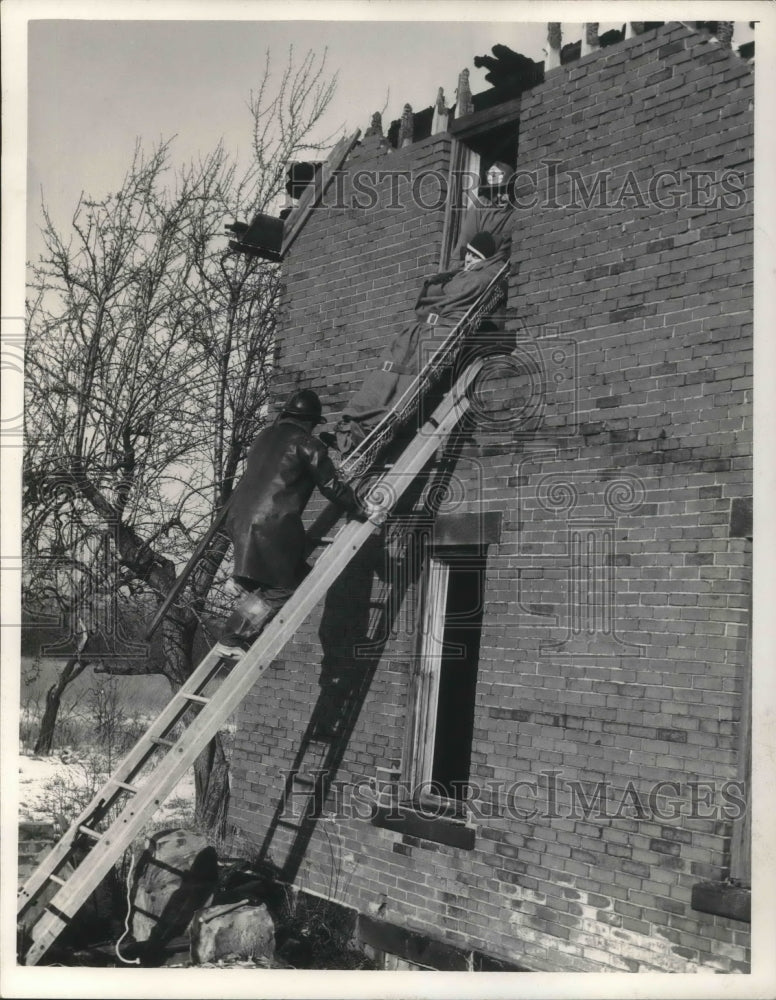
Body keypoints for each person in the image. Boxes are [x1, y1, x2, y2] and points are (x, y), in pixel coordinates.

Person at [324, 229, 506, 456]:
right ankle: (350, 426)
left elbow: (447, 296)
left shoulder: (478, 278)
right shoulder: (460, 275)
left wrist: (438, 290)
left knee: (405, 385)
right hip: (418, 331)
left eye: (475, 257)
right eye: (468, 253)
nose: (468, 259)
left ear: (485, 261)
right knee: (384, 374)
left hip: (436, 335)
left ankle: (363, 435)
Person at [214, 388, 363, 656]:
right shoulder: (308, 444)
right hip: (271, 526)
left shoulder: (263, 438)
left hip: (238, 517)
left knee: (301, 575)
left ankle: (243, 581)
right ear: (309, 421)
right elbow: (330, 486)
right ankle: (233, 636)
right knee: (283, 589)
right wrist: (360, 507)